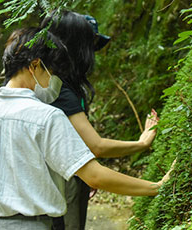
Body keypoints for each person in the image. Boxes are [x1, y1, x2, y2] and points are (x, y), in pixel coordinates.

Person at [0, 27, 170, 229]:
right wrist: (156, 187)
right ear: (34, 65)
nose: (55, 82)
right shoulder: (46, 117)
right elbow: (94, 176)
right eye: (51, 73)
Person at [40, 11, 160, 230]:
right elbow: (95, 145)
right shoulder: (58, 90)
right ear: (74, 45)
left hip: (67, 178)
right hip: (59, 184)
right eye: (89, 44)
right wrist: (141, 144)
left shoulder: (62, 86)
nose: (92, 53)